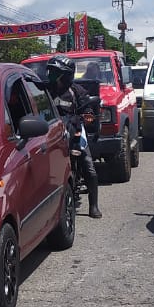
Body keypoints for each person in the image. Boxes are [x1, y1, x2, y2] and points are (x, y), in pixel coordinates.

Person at [45, 55, 101, 218]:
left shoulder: (77, 91)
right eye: (51, 71)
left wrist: (88, 116)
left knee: (87, 163)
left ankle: (94, 205)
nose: (51, 75)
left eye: (56, 72)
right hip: (51, 131)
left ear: (66, 75)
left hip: (74, 128)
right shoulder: (45, 90)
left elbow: (88, 110)